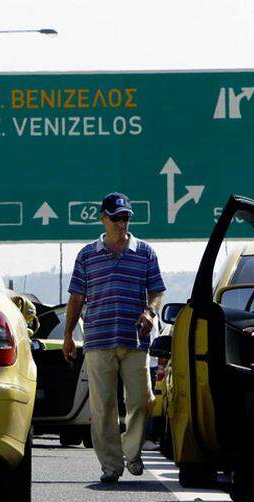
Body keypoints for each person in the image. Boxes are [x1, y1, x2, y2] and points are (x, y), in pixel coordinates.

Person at [64, 192, 165, 483]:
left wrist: (150, 311)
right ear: (103, 219)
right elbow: (76, 297)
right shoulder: (87, 255)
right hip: (98, 339)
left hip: (134, 340)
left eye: (126, 218)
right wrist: (69, 335)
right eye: (116, 218)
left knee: (141, 400)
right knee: (102, 407)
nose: (122, 223)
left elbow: (157, 290)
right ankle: (111, 465)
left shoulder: (145, 252)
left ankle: (132, 452)